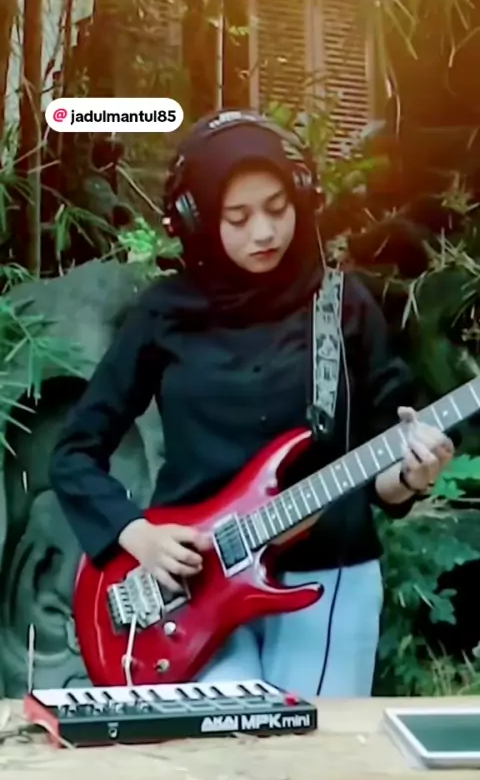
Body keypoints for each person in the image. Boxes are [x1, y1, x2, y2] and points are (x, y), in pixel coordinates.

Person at [49, 109, 454, 698]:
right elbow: (75, 454)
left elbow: (383, 472)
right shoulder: (163, 313)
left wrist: (412, 474)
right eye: (237, 218)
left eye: (277, 208)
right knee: (216, 743)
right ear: (197, 219)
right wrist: (136, 536)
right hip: (189, 590)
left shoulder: (343, 306)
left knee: (316, 744)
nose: (264, 232)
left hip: (329, 580)